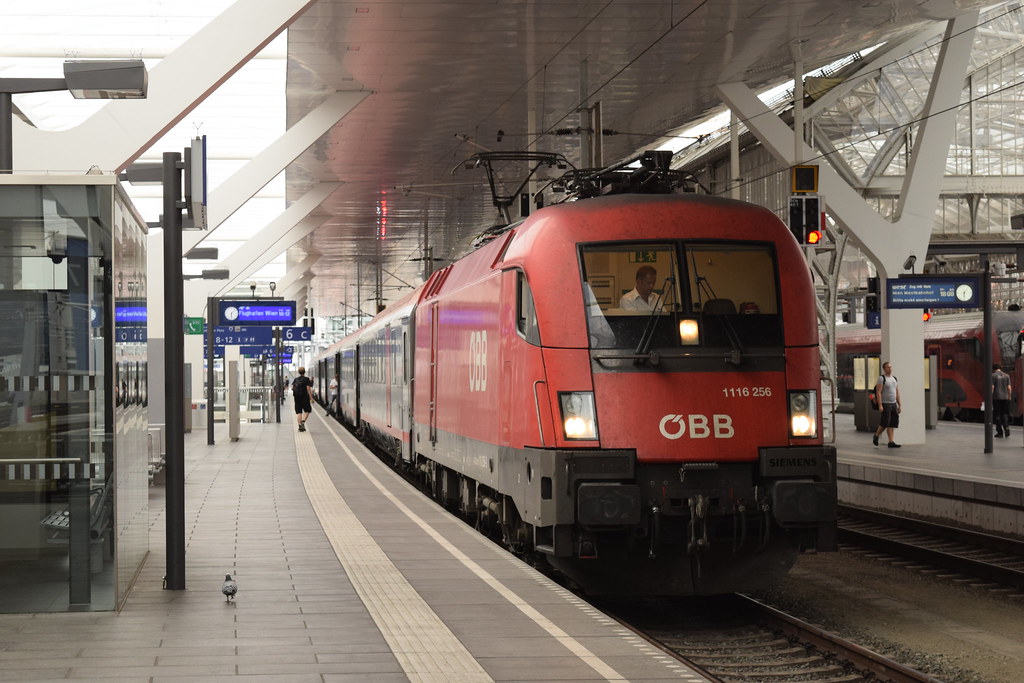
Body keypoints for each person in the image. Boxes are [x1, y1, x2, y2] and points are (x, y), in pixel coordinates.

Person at [872, 362, 901, 448]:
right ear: (884, 369)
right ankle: (876, 435)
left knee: (892, 424)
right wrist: (880, 405)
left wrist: (899, 405)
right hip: (885, 403)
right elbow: (878, 392)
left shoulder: (894, 379)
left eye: (891, 367)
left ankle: (891, 441)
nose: (890, 369)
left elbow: (897, 392)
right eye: (888, 367)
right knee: (885, 423)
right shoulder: (881, 378)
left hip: (893, 403)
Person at [992, 362, 1012, 438]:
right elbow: (1009, 388)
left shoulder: (993, 375)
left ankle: (1000, 432)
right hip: (1005, 398)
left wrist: (990, 397)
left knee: (997, 415)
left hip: (996, 398)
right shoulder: (1007, 376)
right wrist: (1009, 396)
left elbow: (992, 387)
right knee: (1005, 413)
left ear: (994, 369)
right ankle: (1007, 428)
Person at [291, 367, 314, 432]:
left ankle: (300, 425)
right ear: (304, 372)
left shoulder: (296, 379)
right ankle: (303, 422)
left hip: (297, 398)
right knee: (308, 410)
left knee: (298, 412)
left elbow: (292, 388)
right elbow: (308, 389)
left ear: (299, 372)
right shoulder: (306, 379)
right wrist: (311, 398)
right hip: (305, 398)